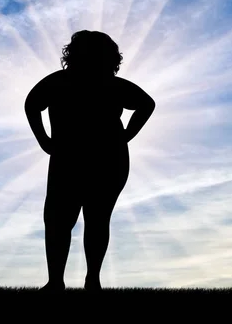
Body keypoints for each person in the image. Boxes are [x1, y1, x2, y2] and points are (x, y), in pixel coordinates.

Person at [24, 30, 155, 292]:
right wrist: (43, 139)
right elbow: (32, 104)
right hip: (80, 156)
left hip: (98, 157)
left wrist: (127, 135)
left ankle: (83, 280)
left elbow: (147, 104)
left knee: (83, 218)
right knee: (68, 218)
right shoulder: (67, 82)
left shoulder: (91, 83)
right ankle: (66, 281)